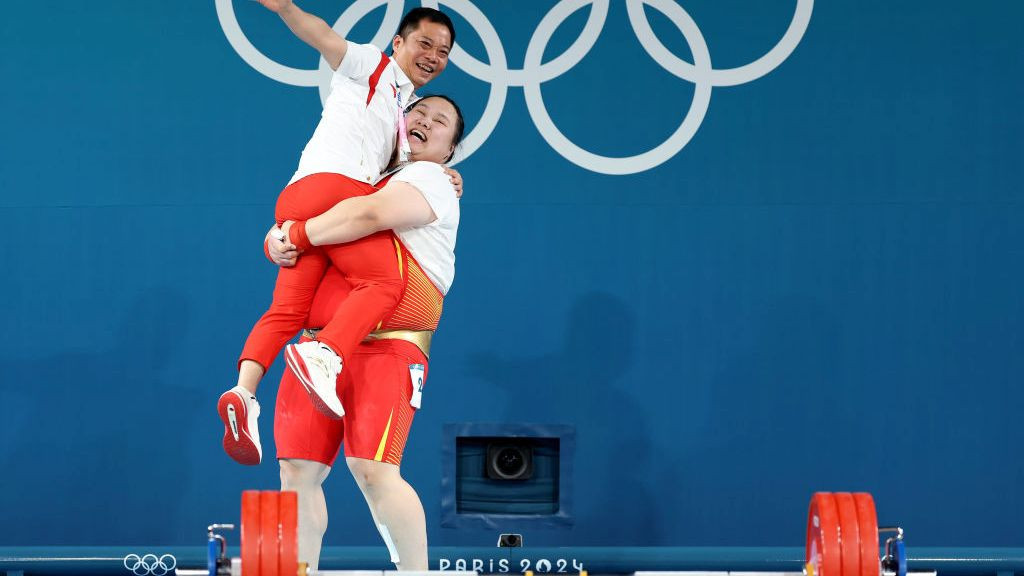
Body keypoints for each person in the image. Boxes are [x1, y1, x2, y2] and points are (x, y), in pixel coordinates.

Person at [217, 0, 456, 466]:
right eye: (424, 42)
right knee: (385, 283)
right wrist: (286, 9)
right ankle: (326, 356)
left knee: (287, 312)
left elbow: (401, 171)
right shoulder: (373, 66)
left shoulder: (404, 119)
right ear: (398, 42)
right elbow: (324, 36)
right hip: (336, 194)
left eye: (443, 51)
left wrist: (446, 173)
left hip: (296, 197)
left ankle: (243, 394)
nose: (433, 55)